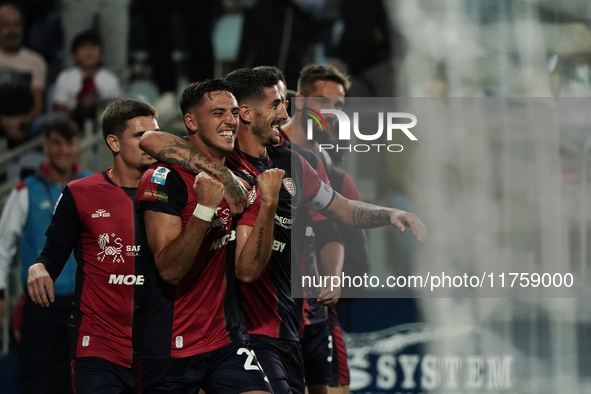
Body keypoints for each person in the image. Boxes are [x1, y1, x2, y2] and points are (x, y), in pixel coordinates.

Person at [140, 67, 427, 394]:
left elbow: (342, 209)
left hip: (289, 326)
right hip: (243, 333)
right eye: (276, 105)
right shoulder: (220, 156)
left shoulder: (294, 163)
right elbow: (152, 139)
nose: (285, 113)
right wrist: (225, 177)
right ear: (248, 113)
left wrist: (390, 213)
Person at [135, 79, 277, 393]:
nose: (231, 120)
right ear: (191, 121)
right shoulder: (163, 178)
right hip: (168, 346)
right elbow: (170, 271)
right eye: (218, 113)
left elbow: (248, 270)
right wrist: (204, 208)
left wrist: (268, 204)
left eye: (235, 112)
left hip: (227, 341)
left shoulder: (244, 184)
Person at [26, 98, 160, 393]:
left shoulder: (173, 192)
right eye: (140, 136)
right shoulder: (80, 193)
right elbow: (51, 256)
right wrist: (38, 268)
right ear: (114, 142)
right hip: (98, 344)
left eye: (155, 134)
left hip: (156, 345)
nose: (151, 143)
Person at [0, 116, 90, 394]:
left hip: (84, 302)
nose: (63, 150)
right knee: (35, 378)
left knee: (79, 380)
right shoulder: (25, 190)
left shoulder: (93, 187)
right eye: (56, 143)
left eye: (69, 143)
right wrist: (0, 292)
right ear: (46, 148)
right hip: (39, 303)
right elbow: (3, 247)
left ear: (78, 146)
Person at [53, 30, 122, 129]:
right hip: (70, 123)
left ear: (101, 54)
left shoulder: (111, 79)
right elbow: (59, 108)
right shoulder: (65, 77)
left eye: (93, 47)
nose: (89, 52)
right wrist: (80, 107)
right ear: (74, 55)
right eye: (83, 47)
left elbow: (116, 108)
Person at [0, 2, 46, 147]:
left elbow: (38, 106)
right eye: (6, 25)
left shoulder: (36, 61)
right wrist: (3, 122)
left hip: (24, 124)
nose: (12, 31)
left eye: (16, 25)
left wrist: (19, 121)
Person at [61, 0, 130, 84]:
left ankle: (117, 95)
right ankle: (69, 95)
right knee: (73, 60)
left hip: (113, 3)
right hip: (78, 3)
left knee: (116, 63)